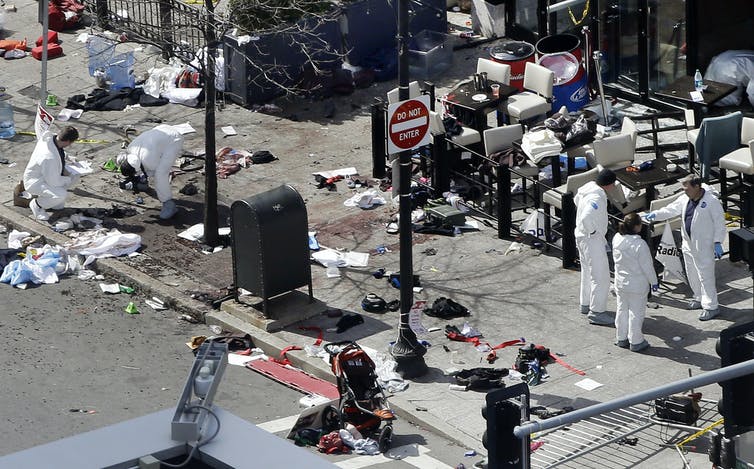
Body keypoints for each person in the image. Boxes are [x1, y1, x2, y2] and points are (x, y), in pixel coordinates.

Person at [644, 175, 726, 320]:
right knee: (692, 273)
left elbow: (720, 223)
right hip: (688, 244)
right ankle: (698, 297)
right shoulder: (685, 198)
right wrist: (655, 215)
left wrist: (717, 242)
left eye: (686, 188)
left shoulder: (712, 202)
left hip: (704, 246)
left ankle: (711, 306)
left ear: (696, 187)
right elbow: (671, 210)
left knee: (705, 277)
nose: (684, 190)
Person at [575, 168, 617, 326]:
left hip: (580, 236)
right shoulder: (597, 196)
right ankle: (597, 312)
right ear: (609, 184)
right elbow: (586, 216)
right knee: (601, 278)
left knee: (587, 272)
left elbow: (576, 201)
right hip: (592, 239)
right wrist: (593, 231)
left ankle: (585, 304)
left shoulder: (587, 188)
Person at [116, 124, 184, 220]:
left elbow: (153, 172)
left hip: (174, 139)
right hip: (163, 129)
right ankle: (143, 183)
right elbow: (141, 168)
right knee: (151, 170)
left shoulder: (149, 160)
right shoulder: (131, 148)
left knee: (160, 174)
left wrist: (136, 181)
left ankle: (169, 204)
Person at [612, 213, 658, 352]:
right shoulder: (640, 244)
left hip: (620, 282)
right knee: (636, 312)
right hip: (637, 284)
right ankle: (636, 341)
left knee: (622, 309)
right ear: (637, 227)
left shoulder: (616, 239)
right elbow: (647, 267)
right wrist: (654, 282)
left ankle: (621, 337)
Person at [23, 126, 80, 221]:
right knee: (61, 194)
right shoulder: (49, 158)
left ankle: (53, 202)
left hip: (44, 175)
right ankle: (37, 205)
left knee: (61, 196)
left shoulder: (51, 139)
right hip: (36, 182)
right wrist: (68, 178)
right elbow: (53, 181)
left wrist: (68, 157)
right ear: (68, 142)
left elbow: (58, 151)